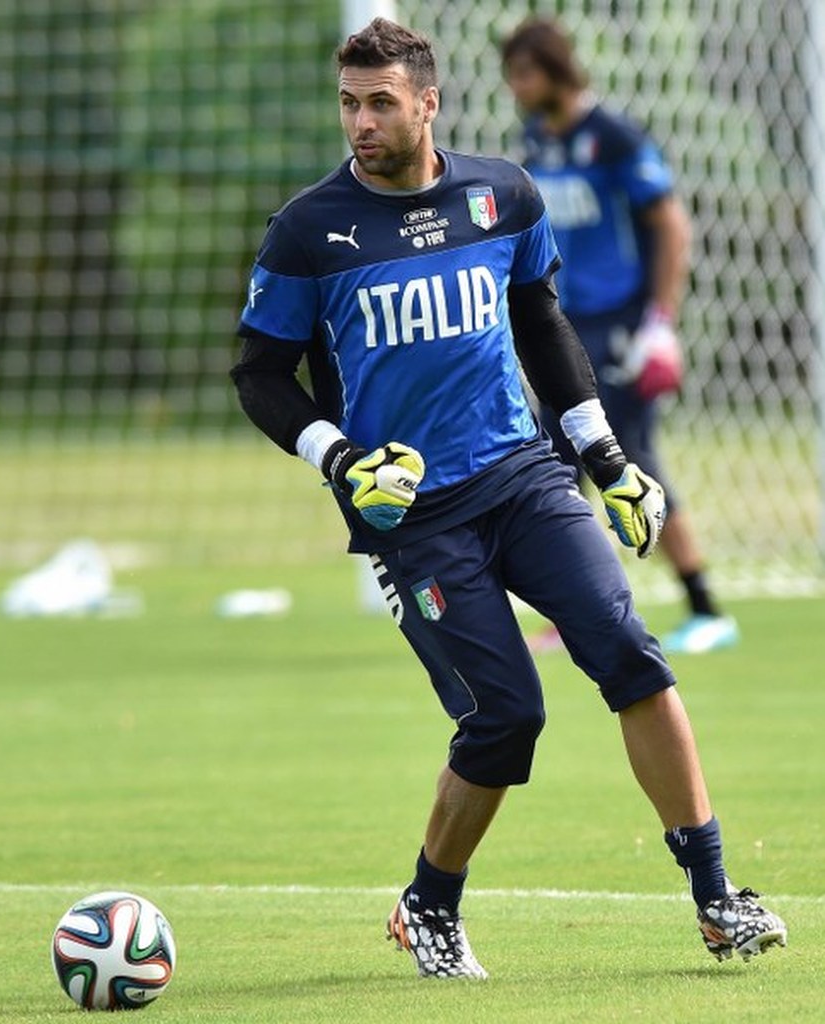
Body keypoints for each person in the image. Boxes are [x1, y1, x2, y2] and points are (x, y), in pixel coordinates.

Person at [230, 17, 785, 978]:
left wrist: (606, 458)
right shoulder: (308, 231)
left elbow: (541, 324)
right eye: (348, 104)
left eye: (380, 103)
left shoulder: (503, 196)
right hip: (411, 517)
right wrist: (339, 458)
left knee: (630, 655)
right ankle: (429, 903)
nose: (360, 123)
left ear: (428, 103)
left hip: (524, 477)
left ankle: (715, 895)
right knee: (506, 718)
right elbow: (260, 374)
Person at [500, 18, 738, 656]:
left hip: (622, 326)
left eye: (524, 73)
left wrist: (659, 324)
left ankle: (706, 608)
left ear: (554, 70)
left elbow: (672, 225)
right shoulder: (537, 141)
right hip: (564, 327)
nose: (516, 87)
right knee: (555, 465)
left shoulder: (615, 138)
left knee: (628, 455)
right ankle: (573, 612)